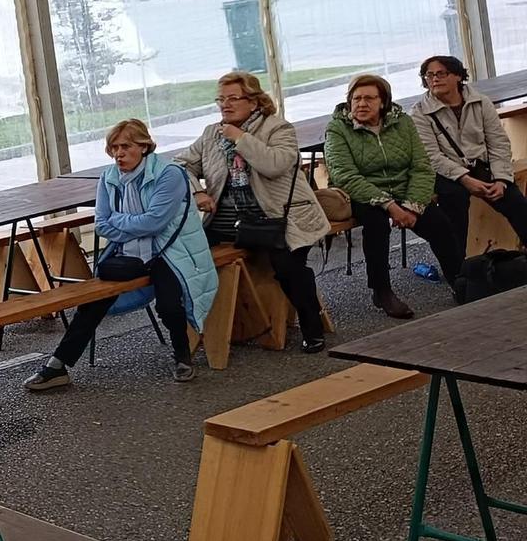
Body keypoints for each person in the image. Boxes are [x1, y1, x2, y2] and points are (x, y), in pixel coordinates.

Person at [25, 120, 217, 392]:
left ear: (144, 146)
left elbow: (154, 224)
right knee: (92, 301)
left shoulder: (170, 174)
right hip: (127, 253)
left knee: (169, 305)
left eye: (125, 146)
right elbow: (101, 225)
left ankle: (182, 357)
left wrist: (121, 221)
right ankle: (57, 366)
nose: (118, 153)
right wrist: (131, 224)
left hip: (170, 251)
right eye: (113, 147)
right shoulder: (109, 177)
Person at [179, 71, 331, 352]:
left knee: (288, 267)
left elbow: (275, 165)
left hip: (279, 218)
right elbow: (181, 165)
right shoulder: (211, 133)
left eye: (233, 98)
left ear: (254, 101)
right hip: (227, 221)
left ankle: (312, 324)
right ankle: (200, 331)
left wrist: (241, 138)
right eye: (220, 99)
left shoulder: (278, 128)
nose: (225, 105)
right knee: (185, 257)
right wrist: (197, 191)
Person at [323, 72, 462, 318]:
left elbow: (421, 166)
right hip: (363, 192)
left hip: (403, 188)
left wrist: (412, 206)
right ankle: (382, 290)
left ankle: (458, 280)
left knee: (438, 222)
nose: (361, 104)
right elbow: (345, 176)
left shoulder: (403, 123)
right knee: (376, 225)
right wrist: (390, 206)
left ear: (383, 102)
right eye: (356, 99)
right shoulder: (337, 129)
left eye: (369, 99)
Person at [411, 53, 527, 250]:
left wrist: (501, 179)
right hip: (445, 172)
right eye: (429, 76)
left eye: (441, 73)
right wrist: (464, 178)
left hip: (481, 165)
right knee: (455, 201)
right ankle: (461, 271)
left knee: (515, 202)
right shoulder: (420, 111)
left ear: (457, 76)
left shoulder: (481, 102)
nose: (434, 79)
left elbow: (498, 143)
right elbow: (431, 156)